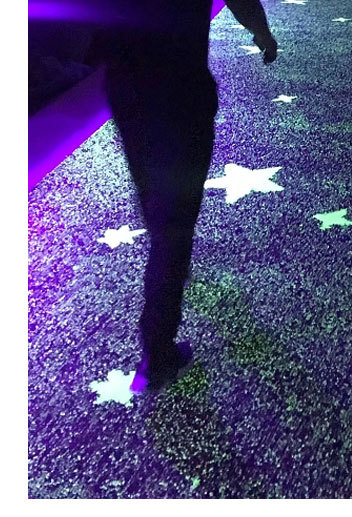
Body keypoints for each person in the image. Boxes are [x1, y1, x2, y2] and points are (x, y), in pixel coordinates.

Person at [97, 0, 277, 393]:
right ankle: (157, 348)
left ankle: (169, 280)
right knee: (176, 219)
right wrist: (262, 32)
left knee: (155, 199)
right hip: (181, 90)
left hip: (127, 84)